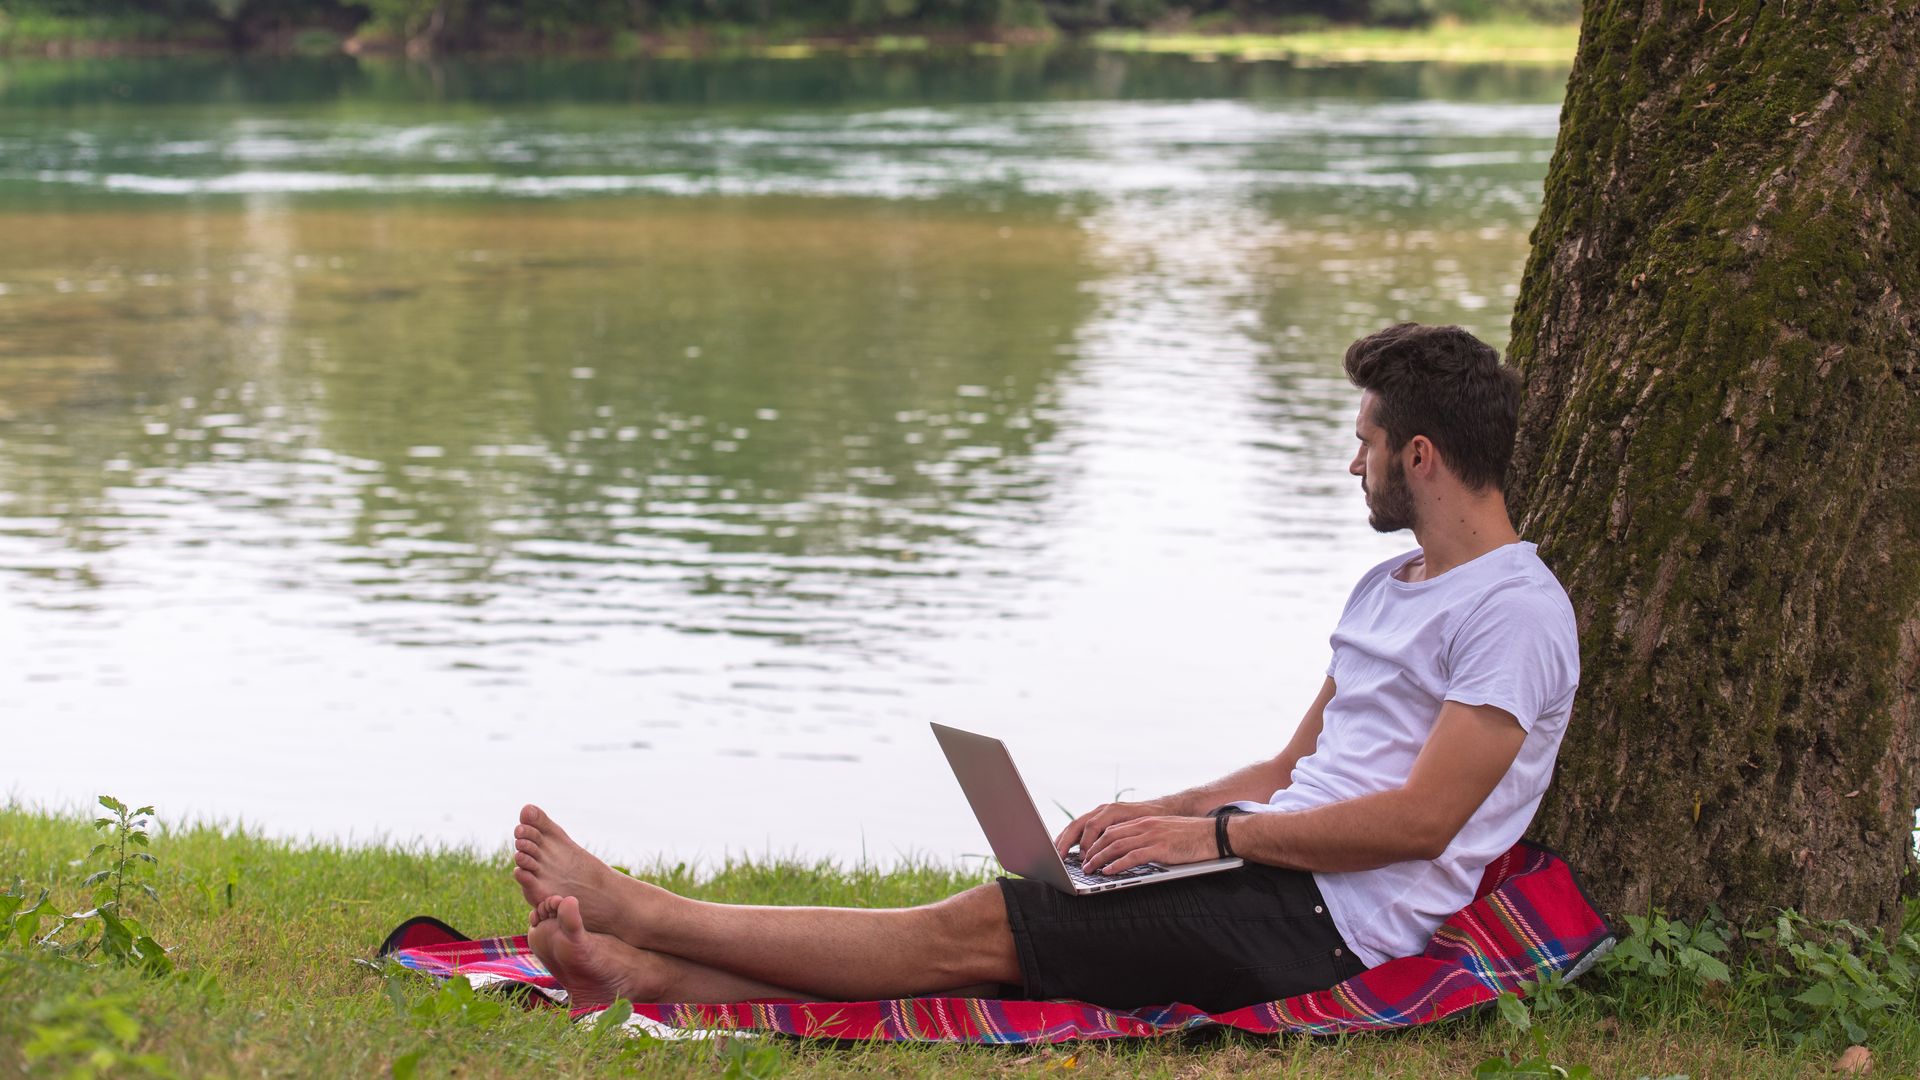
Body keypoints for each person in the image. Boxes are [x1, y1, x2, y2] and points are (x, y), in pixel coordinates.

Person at [510, 322, 1580, 1012]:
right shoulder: (1387, 590)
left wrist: (1211, 839)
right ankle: (644, 976)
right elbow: (1297, 763)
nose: (1356, 462)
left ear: (1422, 457)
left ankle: (640, 915)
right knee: (993, 923)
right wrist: (1151, 815)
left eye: (1368, 442)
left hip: (1328, 920)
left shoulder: (1514, 615)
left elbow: (1417, 825)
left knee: (970, 932)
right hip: (1262, 866)